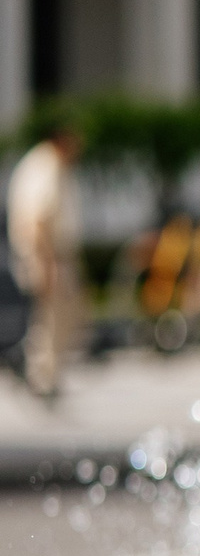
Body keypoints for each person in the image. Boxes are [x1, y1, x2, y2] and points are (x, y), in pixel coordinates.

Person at [7, 115, 85, 402]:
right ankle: (42, 379)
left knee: (53, 316)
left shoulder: (44, 164)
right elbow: (38, 220)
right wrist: (48, 262)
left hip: (48, 253)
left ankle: (44, 375)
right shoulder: (46, 166)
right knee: (49, 318)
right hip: (46, 254)